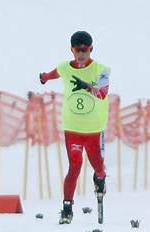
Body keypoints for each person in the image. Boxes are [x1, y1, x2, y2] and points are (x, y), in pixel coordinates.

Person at [39, 31, 110, 224]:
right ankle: (67, 208)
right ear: (71, 50)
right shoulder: (65, 67)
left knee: (98, 166)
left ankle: (100, 179)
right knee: (75, 167)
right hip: (73, 128)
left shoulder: (101, 69)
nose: (80, 54)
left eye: (84, 50)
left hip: (95, 129)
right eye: (76, 50)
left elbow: (103, 93)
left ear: (90, 49)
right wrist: (44, 77)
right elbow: (55, 73)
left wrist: (86, 86)